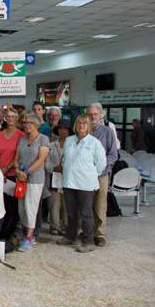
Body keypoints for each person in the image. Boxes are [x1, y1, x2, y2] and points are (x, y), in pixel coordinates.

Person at [57, 114, 106, 253]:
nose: (81, 126)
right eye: (78, 123)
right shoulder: (69, 140)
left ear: (89, 126)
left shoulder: (94, 143)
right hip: (69, 182)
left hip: (86, 184)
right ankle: (70, 236)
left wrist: (89, 174)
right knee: (71, 212)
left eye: (84, 123)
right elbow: (65, 158)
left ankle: (88, 241)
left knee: (86, 213)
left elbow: (101, 164)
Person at [14, 114, 50, 251]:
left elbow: (41, 160)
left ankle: (29, 237)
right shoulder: (21, 139)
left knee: (31, 208)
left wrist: (26, 172)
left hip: (35, 179)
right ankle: (26, 234)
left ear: (36, 125)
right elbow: (16, 157)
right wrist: (17, 170)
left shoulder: (43, 139)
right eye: (25, 123)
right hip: (21, 179)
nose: (27, 125)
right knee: (21, 208)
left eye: (30, 123)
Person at [86, 103, 118, 246]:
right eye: (90, 114)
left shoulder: (107, 131)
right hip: (85, 174)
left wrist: (103, 167)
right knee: (86, 204)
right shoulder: (83, 129)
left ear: (100, 115)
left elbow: (113, 154)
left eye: (95, 114)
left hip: (102, 174)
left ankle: (100, 234)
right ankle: (88, 232)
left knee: (100, 204)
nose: (93, 117)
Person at [0, 108, 24, 242]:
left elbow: (18, 156)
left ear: (17, 119)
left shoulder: (20, 135)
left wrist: (6, 169)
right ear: (5, 118)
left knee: (13, 208)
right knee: (1, 205)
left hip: (12, 175)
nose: (11, 119)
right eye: (8, 116)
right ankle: (0, 232)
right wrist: (0, 169)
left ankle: (8, 233)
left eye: (13, 116)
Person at [44, 119, 71, 235]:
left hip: (69, 178)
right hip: (53, 178)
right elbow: (46, 163)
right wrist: (54, 168)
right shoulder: (51, 145)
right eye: (60, 129)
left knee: (67, 204)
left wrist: (66, 168)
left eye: (65, 129)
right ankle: (54, 227)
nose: (63, 131)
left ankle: (66, 226)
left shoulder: (73, 145)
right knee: (54, 203)